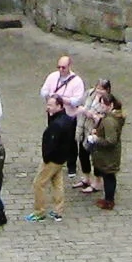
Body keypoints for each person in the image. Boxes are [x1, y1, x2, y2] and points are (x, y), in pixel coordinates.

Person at [40, 55, 87, 184]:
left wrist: (61, 99)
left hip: (69, 116)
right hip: (53, 114)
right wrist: (47, 95)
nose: (61, 69)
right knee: (53, 137)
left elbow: (77, 100)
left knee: (70, 141)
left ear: (69, 66)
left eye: (64, 67)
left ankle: (71, 164)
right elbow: (43, 90)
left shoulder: (77, 81)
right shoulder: (52, 77)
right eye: (59, 67)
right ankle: (53, 159)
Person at [31, 94, 77, 220]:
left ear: (59, 106)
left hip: (52, 159)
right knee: (57, 183)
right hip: (61, 158)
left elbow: (51, 142)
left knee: (38, 183)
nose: (48, 108)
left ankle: (39, 211)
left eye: (51, 105)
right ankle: (58, 211)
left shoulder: (58, 124)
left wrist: (46, 158)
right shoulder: (67, 119)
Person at [89, 86, 125, 210]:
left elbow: (111, 140)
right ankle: (108, 199)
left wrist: (96, 139)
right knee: (108, 176)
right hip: (108, 155)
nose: (101, 107)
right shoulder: (111, 118)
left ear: (110, 105)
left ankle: (109, 201)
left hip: (108, 155)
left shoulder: (109, 121)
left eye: (103, 105)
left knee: (109, 177)